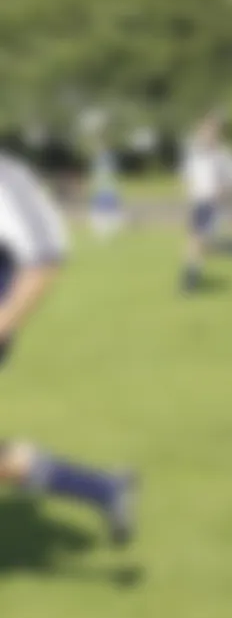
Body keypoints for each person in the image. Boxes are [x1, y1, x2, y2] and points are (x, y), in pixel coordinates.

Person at [0, 153, 137, 545]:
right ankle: (103, 489)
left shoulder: (5, 178)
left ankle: (104, 489)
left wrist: (3, 325)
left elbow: (46, 254)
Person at [180, 114, 232, 292]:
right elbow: (189, 175)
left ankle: (190, 281)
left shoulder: (224, 155)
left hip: (213, 203)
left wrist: (225, 191)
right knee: (201, 243)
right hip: (197, 202)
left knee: (196, 241)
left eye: (209, 132)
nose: (205, 135)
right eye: (203, 131)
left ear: (217, 134)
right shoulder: (195, 153)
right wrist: (188, 190)